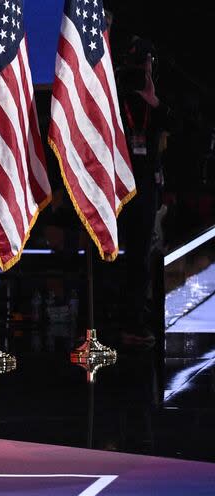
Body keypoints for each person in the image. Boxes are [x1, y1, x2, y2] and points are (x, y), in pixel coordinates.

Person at [116, 37, 171, 347]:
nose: (141, 71)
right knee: (120, 253)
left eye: (146, 64)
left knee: (140, 255)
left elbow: (179, 124)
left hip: (146, 183)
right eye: (138, 65)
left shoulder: (155, 99)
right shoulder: (116, 93)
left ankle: (135, 318)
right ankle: (121, 319)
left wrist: (154, 102)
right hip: (120, 183)